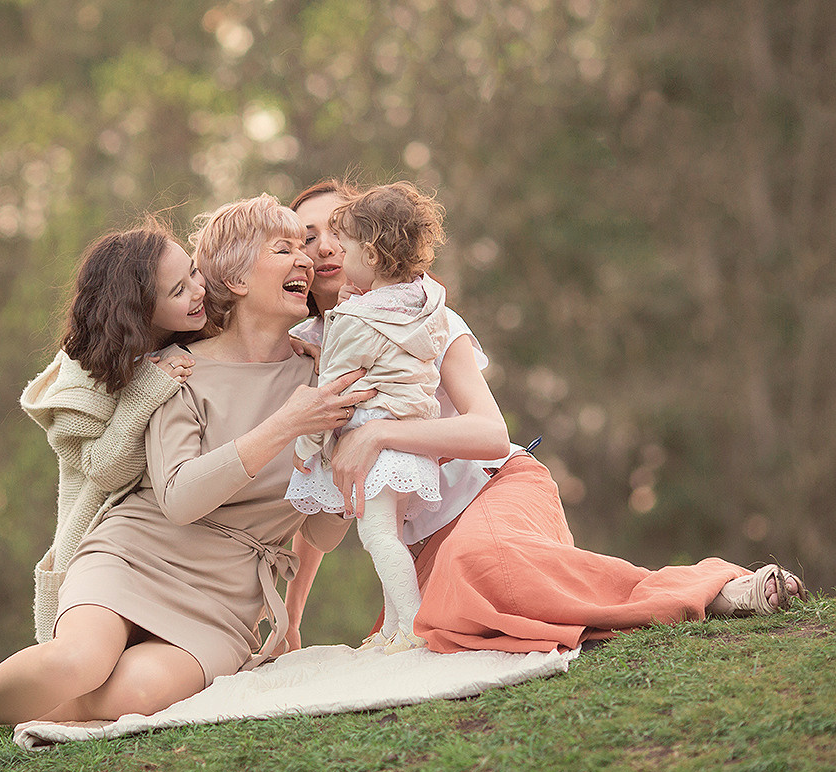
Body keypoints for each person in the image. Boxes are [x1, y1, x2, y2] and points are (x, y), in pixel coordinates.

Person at [0, 195, 371, 759]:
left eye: (302, 248)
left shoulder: (322, 380)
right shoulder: (175, 370)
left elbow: (323, 535)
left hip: (228, 595)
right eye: (284, 249)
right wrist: (286, 426)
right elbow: (180, 497)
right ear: (233, 277)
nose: (305, 260)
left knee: (134, 692)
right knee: (79, 661)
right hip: (138, 552)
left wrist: (342, 463)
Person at [284, 177, 808, 657]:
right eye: (307, 237)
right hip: (419, 542)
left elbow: (490, 434)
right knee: (444, 620)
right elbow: (313, 515)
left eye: (337, 229)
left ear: (370, 245)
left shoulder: (425, 316)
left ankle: (711, 591)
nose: (326, 244)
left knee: (482, 569)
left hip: (492, 492)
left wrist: (377, 432)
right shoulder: (304, 352)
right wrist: (290, 619)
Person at [20, 220, 206, 643]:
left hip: (172, 549)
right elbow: (105, 471)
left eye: (193, 272)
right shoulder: (82, 379)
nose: (198, 291)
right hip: (100, 553)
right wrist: (144, 393)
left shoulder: (187, 337)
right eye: (178, 291)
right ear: (139, 311)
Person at [286, 182, 452, 655]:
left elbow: (330, 395)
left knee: (378, 536)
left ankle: (414, 626)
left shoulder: (359, 319)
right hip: (411, 450)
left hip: (379, 446)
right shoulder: (421, 304)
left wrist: (305, 448)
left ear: (373, 257)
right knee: (388, 535)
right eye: (310, 237)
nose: (331, 249)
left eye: (346, 242)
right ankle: (393, 627)